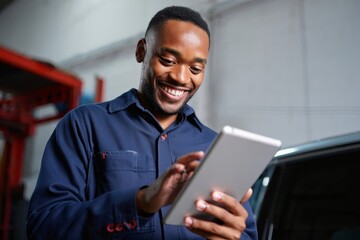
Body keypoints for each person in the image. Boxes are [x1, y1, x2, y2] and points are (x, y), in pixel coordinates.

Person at [27, 6, 258, 240]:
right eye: (168, 60)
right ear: (141, 51)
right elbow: (43, 226)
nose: (180, 77)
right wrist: (141, 202)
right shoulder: (84, 125)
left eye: (195, 68)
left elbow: (247, 234)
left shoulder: (213, 146)